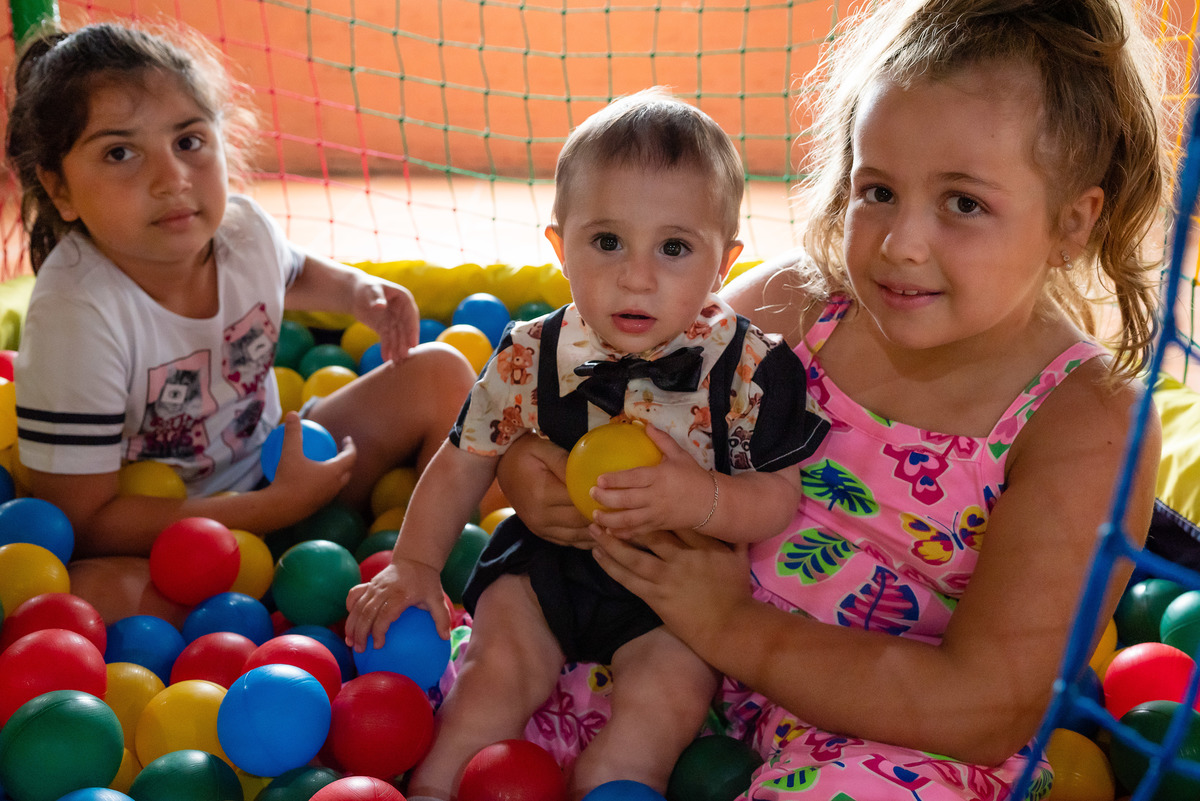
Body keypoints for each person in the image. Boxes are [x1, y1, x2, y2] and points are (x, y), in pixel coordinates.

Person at [495, 1, 1171, 797]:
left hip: (883, 732)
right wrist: (533, 470)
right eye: (876, 190)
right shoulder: (794, 307)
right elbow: (596, 398)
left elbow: (983, 706)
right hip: (659, 654)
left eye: (963, 203)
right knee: (496, 689)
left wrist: (735, 626)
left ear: (1073, 221)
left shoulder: (1086, 421)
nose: (900, 244)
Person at [343, 87, 829, 798]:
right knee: (490, 684)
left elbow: (778, 498)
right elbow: (464, 458)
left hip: (675, 587)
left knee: (659, 709)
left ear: (723, 263)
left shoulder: (751, 366)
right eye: (607, 242)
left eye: (674, 247)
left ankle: (614, 780)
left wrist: (701, 498)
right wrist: (415, 563)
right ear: (559, 248)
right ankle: (436, 787)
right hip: (546, 568)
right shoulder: (528, 353)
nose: (637, 276)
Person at [4, 22, 478, 626]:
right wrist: (276, 508)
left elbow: (293, 271)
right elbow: (83, 520)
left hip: (280, 461)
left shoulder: (243, 231)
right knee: (64, 596)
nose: (172, 178)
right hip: (172, 542)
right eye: (120, 153)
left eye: (188, 141)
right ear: (59, 189)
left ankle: (456, 565)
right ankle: (285, 605)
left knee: (440, 374)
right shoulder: (76, 317)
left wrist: (359, 293)